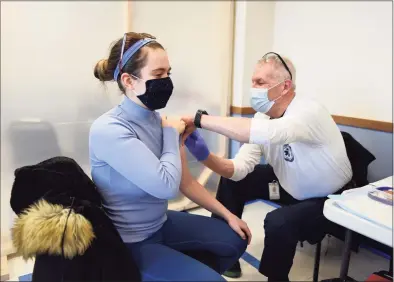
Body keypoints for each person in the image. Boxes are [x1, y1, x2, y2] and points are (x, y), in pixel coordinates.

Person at [89, 32, 251, 281]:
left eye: (168, 73)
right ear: (128, 81)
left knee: (234, 239)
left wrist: (229, 216)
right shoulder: (109, 130)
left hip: (161, 223)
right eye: (157, 74)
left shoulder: (158, 120)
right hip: (130, 241)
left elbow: (185, 182)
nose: (166, 81)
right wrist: (169, 135)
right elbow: (166, 187)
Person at [181, 52, 353, 281]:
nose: (254, 89)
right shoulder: (263, 117)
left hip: (330, 198)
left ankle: (276, 278)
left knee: (279, 222)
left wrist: (199, 119)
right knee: (234, 181)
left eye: (261, 83)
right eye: (253, 82)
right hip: (290, 184)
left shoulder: (308, 111)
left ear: (285, 86)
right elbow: (238, 168)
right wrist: (204, 156)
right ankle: (225, 253)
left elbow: (269, 133)